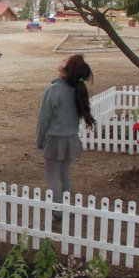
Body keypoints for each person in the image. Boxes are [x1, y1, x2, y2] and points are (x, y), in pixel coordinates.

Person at [35, 54, 97, 214]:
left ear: (65, 70)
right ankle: (64, 206)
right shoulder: (77, 89)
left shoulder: (53, 90)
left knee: (51, 176)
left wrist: (39, 141)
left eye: (64, 60)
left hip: (56, 140)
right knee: (64, 174)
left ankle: (57, 210)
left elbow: (43, 119)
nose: (61, 61)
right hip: (71, 139)